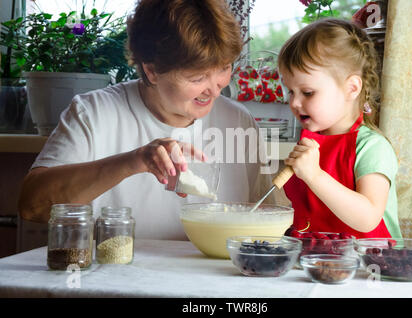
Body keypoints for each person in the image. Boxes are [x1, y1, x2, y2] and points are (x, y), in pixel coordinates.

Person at [18, 0, 274, 240]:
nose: (216, 90)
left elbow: (267, 219)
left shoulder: (238, 120)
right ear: (151, 70)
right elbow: (32, 206)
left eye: (223, 68)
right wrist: (133, 161)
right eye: (197, 79)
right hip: (115, 281)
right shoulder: (94, 113)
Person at [278, 18, 402, 238]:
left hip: (370, 265)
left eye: (307, 93)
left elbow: (367, 218)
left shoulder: (372, 147)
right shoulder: (309, 143)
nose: (295, 103)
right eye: (290, 91)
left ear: (351, 88)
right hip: (316, 262)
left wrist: (314, 176)